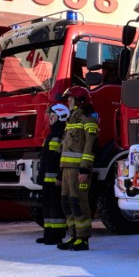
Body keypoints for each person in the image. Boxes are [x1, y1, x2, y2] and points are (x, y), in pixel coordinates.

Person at [57, 86, 98, 251]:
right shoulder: (71, 121)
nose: (68, 102)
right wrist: (60, 171)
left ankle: (83, 239)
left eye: (71, 99)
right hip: (67, 169)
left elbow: (90, 146)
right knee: (67, 203)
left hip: (78, 171)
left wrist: (85, 169)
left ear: (80, 101)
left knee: (79, 202)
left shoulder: (88, 120)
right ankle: (73, 236)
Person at [35, 103, 70, 245]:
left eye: (53, 116)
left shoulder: (61, 135)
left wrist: (60, 176)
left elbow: (60, 159)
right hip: (47, 179)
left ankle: (57, 236)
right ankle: (48, 233)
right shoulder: (51, 135)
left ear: (60, 117)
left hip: (55, 180)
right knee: (47, 207)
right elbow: (46, 158)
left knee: (56, 208)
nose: (50, 118)